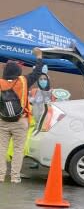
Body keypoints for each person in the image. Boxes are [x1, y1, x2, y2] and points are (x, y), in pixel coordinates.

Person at [1, 48, 45, 183]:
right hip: (21, 121)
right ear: (18, 72)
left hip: (2, 121)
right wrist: (39, 56)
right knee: (18, 149)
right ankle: (15, 177)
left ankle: (1, 176)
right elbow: (38, 72)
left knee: (1, 149)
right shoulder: (24, 81)